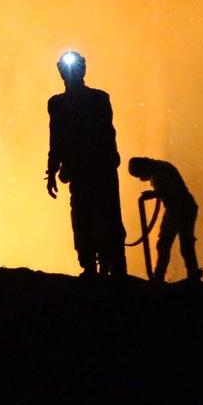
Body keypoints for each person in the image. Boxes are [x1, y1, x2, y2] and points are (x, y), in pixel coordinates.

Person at [46, 51, 127, 278]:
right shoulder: (64, 103)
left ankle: (106, 266)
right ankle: (93, 265)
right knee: (87, 218)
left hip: (97, 170)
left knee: (101, 218)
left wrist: (54, 170)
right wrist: (52, 170)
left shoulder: (94, 99)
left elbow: (105, 134)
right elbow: (57, 138)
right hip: (90, 171)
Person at [128, 156, 199, 283]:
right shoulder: (159, 169)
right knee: (165, 244)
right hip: (174, 210)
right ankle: (160, 276)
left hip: (183, 209)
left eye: (139, 175)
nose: (141, 179)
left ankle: (192, 276)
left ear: (143, 168)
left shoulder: (161, 171)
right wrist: (155, 193)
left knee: (184, 245)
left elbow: (171, 191)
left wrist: (153, 194)